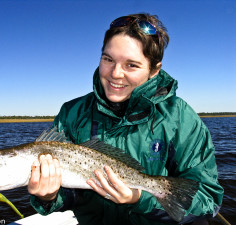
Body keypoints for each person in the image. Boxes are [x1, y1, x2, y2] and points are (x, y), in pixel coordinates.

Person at [28, 13, 224, 225]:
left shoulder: (180, 118)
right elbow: (75, 192)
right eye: (108, 59)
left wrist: (140, 198)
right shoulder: (72, 112)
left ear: (154, 70)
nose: (116, 73)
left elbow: (208, 199)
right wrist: (48, 196)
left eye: (131, 65)